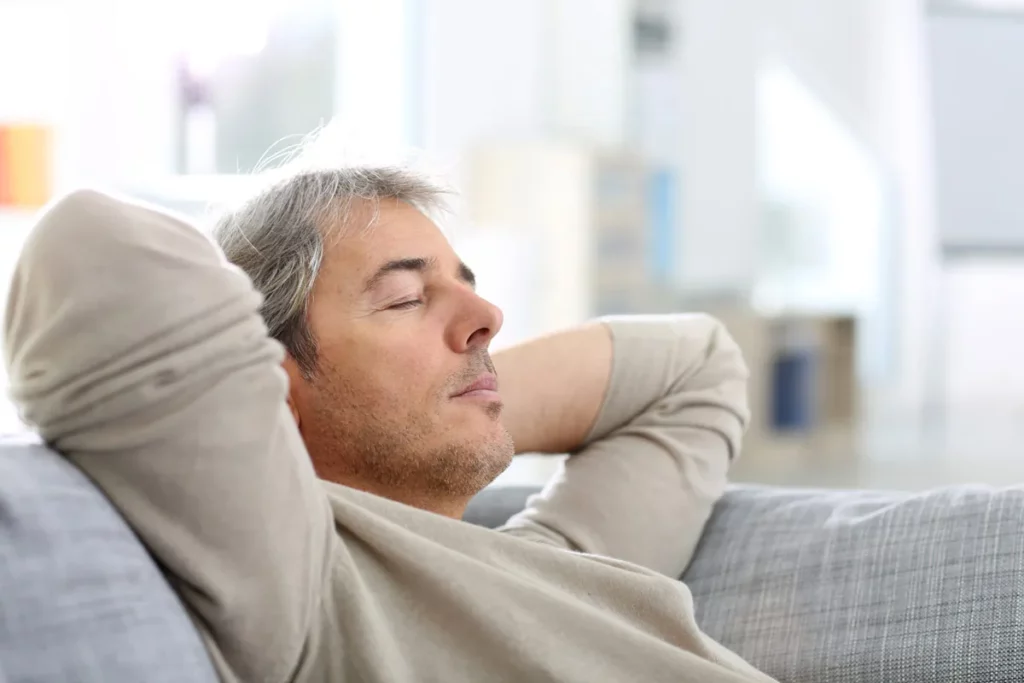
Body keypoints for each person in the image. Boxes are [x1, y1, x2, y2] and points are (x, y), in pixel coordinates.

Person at [3, 179, 775, 682]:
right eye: (406, 298)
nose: (488, 317)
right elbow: (91, 243)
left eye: (466, 286)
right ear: (270, 386)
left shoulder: (552, 562)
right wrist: (301, 414)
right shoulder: (302, 580)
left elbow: (696, 369)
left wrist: (462, 395)